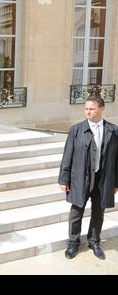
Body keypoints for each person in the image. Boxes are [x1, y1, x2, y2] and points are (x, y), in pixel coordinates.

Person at [59, 95, 118, 260]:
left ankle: (94, 242)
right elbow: (67, 157)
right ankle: (73, 242)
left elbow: (117, 160)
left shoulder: (113, 131)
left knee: (99, 213)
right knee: (76, 211)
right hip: (80, 178)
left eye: (91, 109)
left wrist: (116, 183)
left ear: (101, 109)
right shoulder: (76, 130)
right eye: (86, 108)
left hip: (103, 179)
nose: (88, 111)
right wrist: (64, 179)